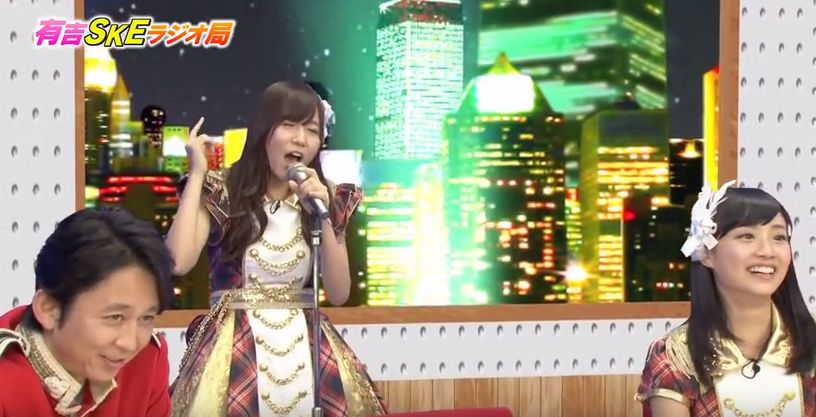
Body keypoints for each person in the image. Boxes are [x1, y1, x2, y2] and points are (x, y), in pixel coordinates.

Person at [167, 80, 387, 417]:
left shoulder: (326, 196)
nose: (300, 139)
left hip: (307, 345)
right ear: (263, 131)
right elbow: (177, 261)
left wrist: (325, 215)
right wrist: (197, 174)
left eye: (312, 130)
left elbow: (339, 292)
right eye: (289, 125)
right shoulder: (223, 190)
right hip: (234, 347)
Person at [636, 181, 816, 417]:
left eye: (779, 237)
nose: (767, 251)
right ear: (707, 254)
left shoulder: (810, 337)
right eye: (747, 236)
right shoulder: (676, 356)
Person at [0, 208, 175, 417]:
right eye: (115, 317)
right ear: (48, 309)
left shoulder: (147, 359)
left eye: (146, 318)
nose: (129, 344)